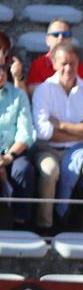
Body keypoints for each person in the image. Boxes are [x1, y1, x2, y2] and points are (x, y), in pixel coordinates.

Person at [32, 46, 83, 234]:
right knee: (49, 170)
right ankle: (45, 226)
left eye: (72, 63)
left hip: (80, 149)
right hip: (48, 149)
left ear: (78, 63)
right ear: (54, 64)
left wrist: (61, 126)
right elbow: (43, 132)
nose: (68, 68)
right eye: (64, 63)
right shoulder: (43, 90)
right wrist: (82, 128)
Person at [0, 34, 36, 230]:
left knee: (23, 169)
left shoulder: (18, 95)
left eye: (3, 68)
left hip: (11, 152)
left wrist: (8, 157)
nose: (0, 73)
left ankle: (20, 225)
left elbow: (25, 134)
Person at [24, 21, 83, 94]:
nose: (60, 38)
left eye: (65, 34)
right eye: (56, 34)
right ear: (47, 40)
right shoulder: (38, 65)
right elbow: (33, 92)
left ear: (70, 39)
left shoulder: (79, 66)